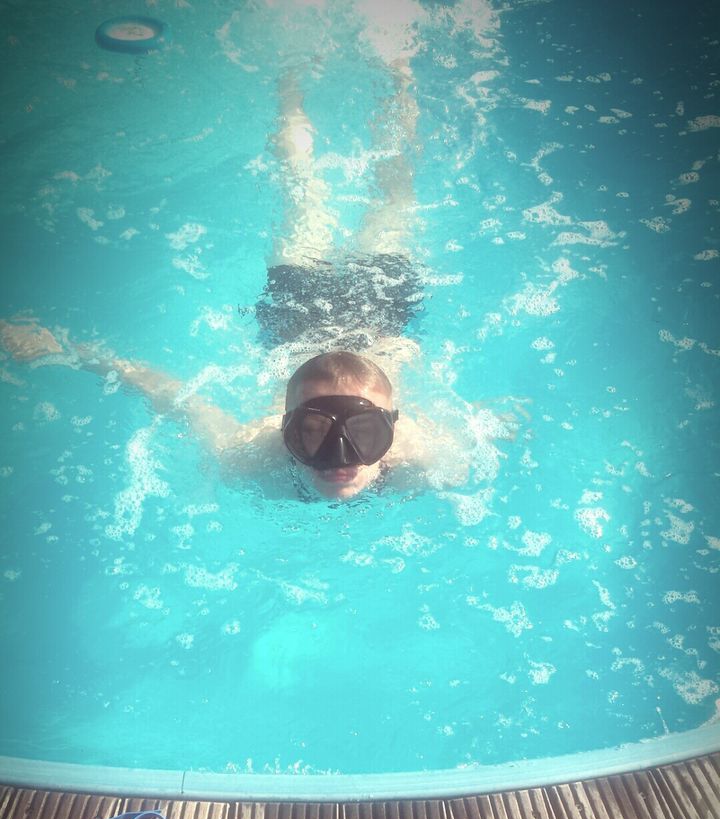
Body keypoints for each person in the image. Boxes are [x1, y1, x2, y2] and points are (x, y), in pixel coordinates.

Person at [1, 60, 466, 500]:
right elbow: (162, 392)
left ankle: (398, 78)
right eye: (313, 432)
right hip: (378, 310)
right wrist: (68, 354)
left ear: (393, 429)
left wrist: (66, 351)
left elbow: (166, 393)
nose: (337, 459)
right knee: (321, 196)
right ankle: (290, 82)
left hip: (296, 317)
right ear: (285, 430)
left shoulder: (424, 460)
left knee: (358, 199)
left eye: (365, 434)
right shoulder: (251, 458)